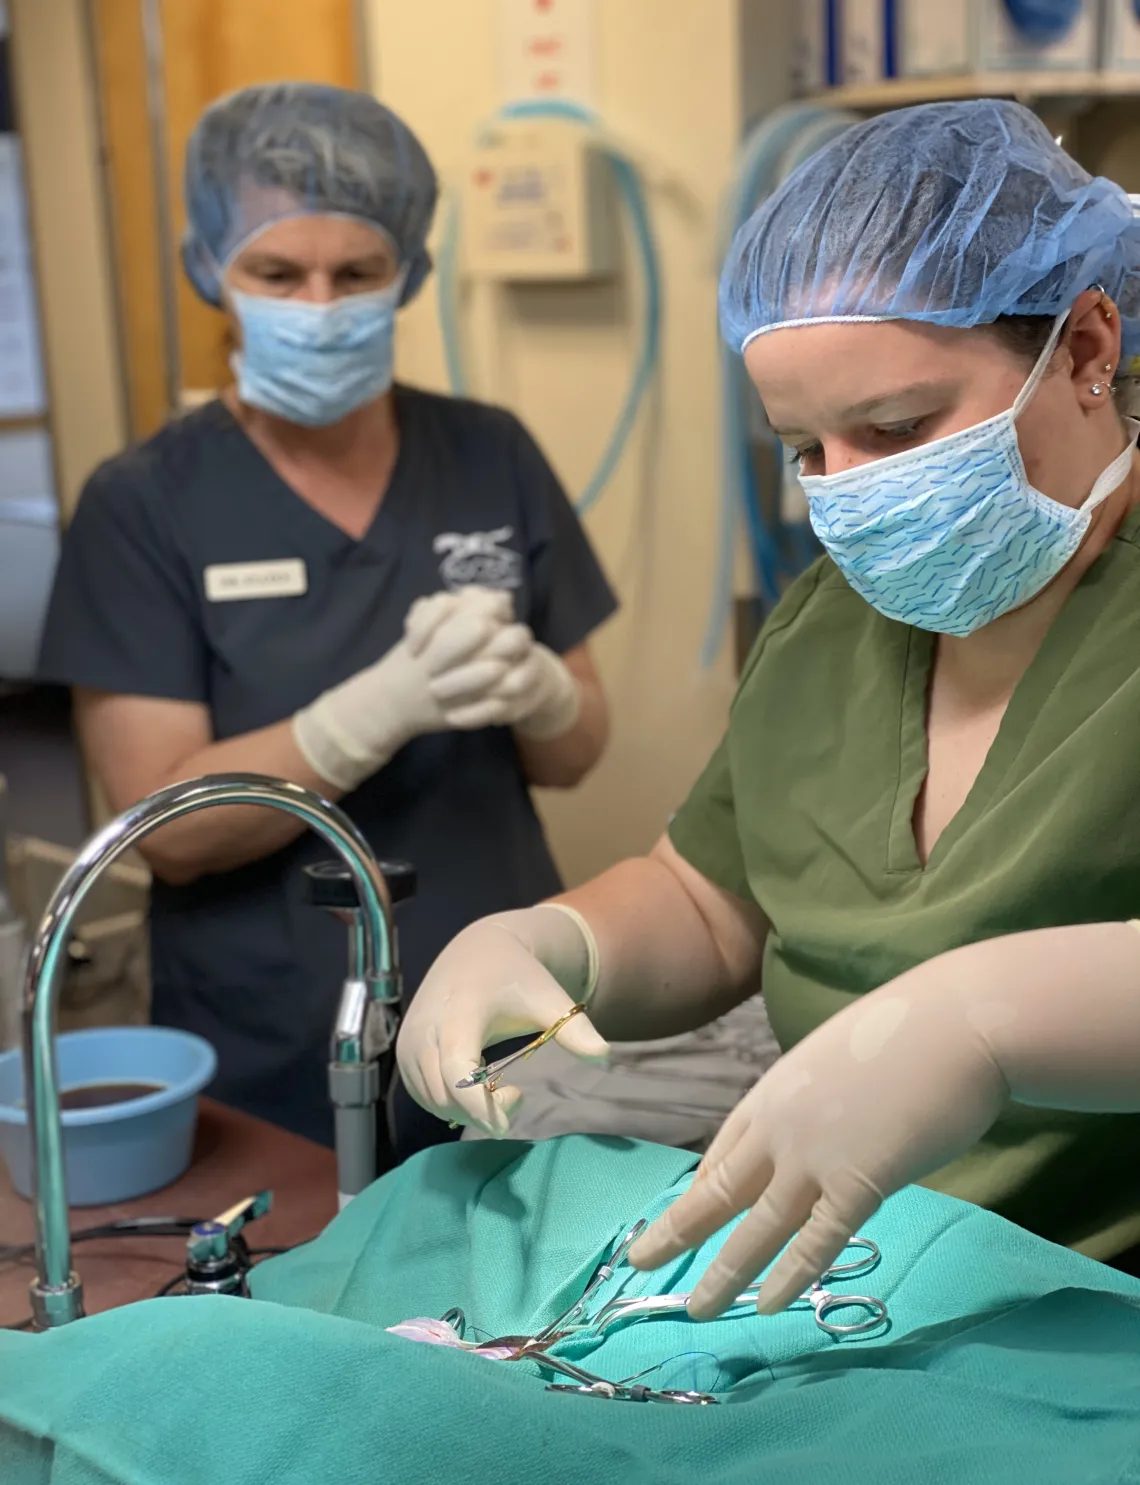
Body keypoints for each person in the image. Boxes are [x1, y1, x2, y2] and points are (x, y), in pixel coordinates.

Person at [396, 99, 1140, 1306]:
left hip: (1084, 1311)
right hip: (845, 1286)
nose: (844, 492)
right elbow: (711, 898)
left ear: (1088, 350)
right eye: (805, 448)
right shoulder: (828, 627)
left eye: (897, 426)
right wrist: (554, 940)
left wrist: (986, 1023)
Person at [37, 83, 616, 1152]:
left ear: (410, 274)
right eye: (276, 272)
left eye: (355, 273)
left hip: (498, 1004)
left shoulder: (490, 452)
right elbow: (167, 832)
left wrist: (538, 687)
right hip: (271, 1032)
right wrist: (366, 716)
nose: (317, 302)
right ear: (212, 269)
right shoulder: (146, 502)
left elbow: (577, 750)